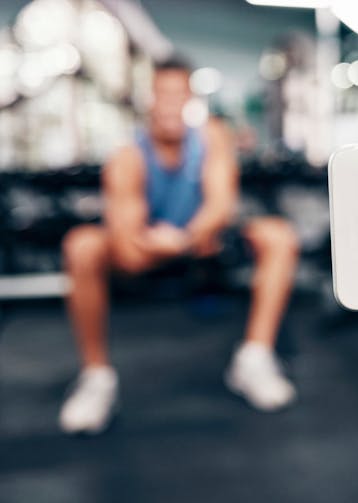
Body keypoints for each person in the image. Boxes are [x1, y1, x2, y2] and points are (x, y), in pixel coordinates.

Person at [58, 58, 299, 434]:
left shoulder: (211, 136)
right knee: (81, 245)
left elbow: (219, 207)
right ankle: (97, 378)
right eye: (163, 93)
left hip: (203, 246)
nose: (171, 102)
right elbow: (127, 248)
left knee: (278, 235)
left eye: (179, 93)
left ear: (190, 98)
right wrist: (158, 245)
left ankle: (253, 357)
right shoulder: (128, 156)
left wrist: (184, 239)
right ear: (150, 99)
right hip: (146, 251)